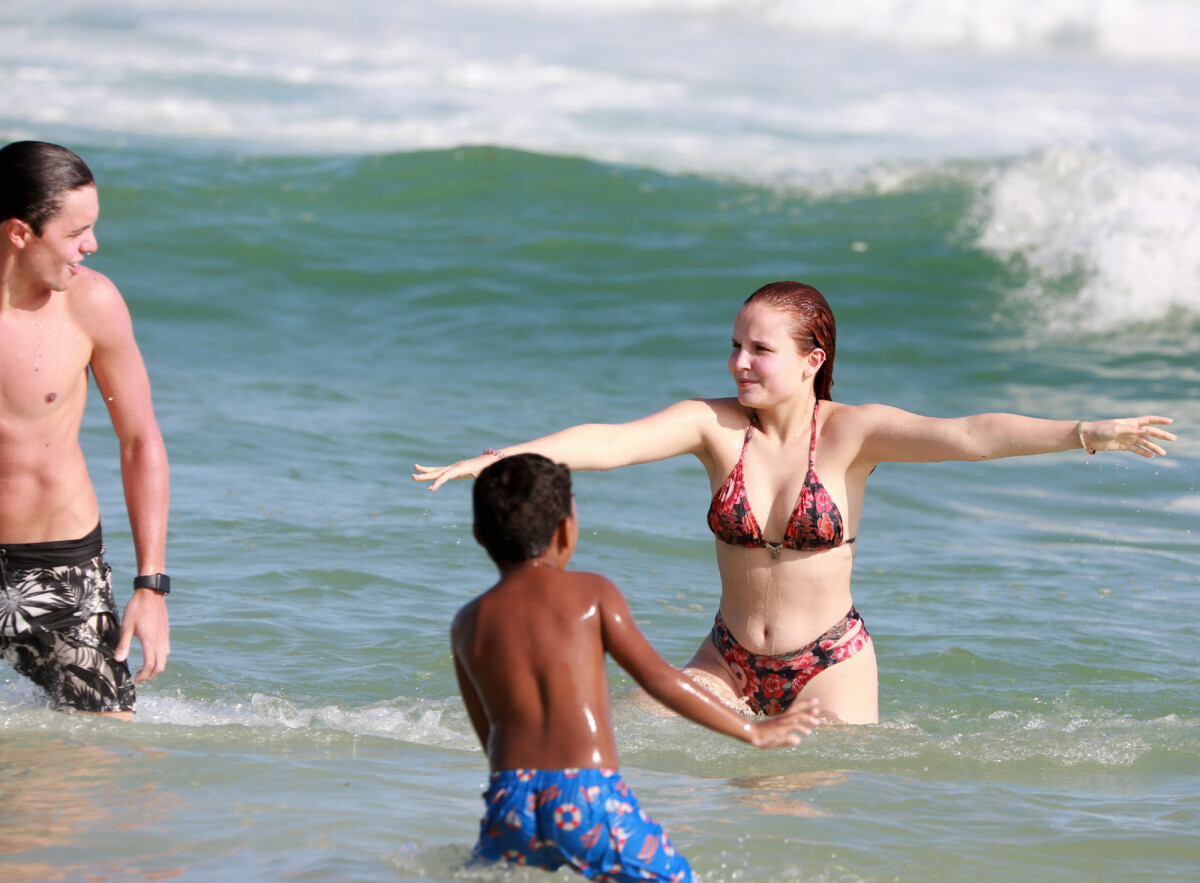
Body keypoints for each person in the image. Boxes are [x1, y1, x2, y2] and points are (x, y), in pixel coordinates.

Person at [420, 281, 1177, 725]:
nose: (738, 362)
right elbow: (611, 441)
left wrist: (1085, 432)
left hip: (829, 665)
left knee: (797, 830)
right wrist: (506, 455)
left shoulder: (852, 434)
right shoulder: (713, 427)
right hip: (727, 657)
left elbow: (972, 435)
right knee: (624, 748)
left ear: (813, 360)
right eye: (736, 345)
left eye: (760, 350)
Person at [454, 453, 819, 881]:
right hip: (585, 795)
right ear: (566, 530)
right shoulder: (592, 594)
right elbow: (659, 679)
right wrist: (752, 731)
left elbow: (488, 730)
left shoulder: (467, 621)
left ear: (479, 534)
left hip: (510, 798)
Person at [0, 141, 171, 720]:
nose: (91, 245)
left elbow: (140, 440)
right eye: (77, 232)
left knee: (103, 746)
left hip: (56, 566)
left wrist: (151, 585)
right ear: (21, 233)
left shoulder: (90, 304)